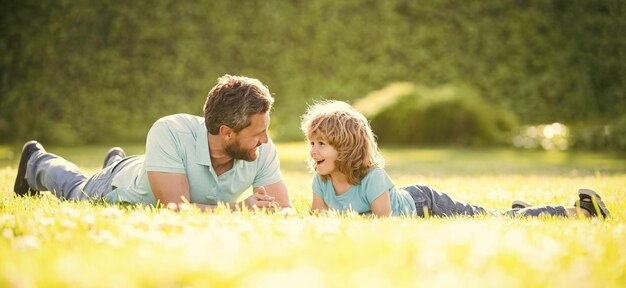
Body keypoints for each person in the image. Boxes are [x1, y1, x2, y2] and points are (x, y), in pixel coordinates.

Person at [14, 75, 292, 211]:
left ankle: (116, 161)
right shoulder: (169, 131)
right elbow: (176, 209)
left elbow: (283, 210)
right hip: (116, 185)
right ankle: (37, 161)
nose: (265, 140)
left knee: (140, 172)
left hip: (153, 170)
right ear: (227, 132)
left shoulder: (262, 148)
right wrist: (241, 208)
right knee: (75, 190)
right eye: (257, 133)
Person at [300, 100, 611, 219]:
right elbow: (318, 218)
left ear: (349, 147)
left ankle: (584, 211)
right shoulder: (321, 179)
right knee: (499, 217)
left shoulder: (373, 178)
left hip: (427, 204)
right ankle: (524, 212)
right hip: (415, 202)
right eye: (312, 142)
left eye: (322, 144)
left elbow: (385, 223)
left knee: (494, 220)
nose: (313, 150)